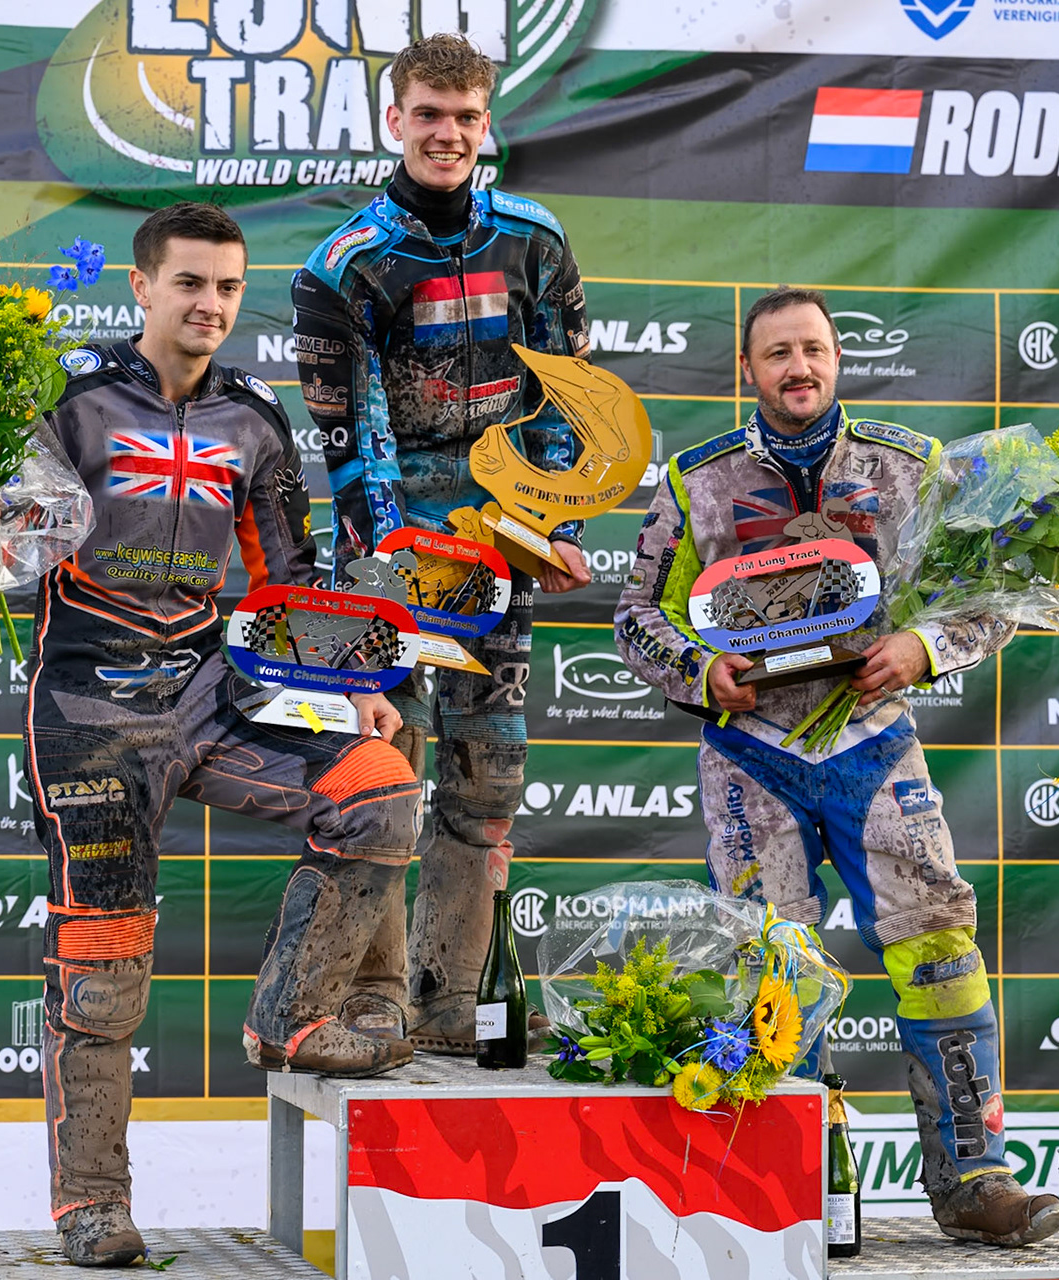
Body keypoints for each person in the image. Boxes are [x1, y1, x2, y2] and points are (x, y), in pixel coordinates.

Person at [612, 288, 1059, 1248]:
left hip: (873, 743)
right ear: (749, 371)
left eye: (813, 349)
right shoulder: (697, 478)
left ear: (838, 359)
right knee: (771, 970)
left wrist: (927, 648)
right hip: (751, 756)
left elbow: (998, 588)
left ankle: (977, 1180)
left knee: (939, 952)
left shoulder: (911, 466)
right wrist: (700, 669)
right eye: (777, 353)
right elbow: (635, 616)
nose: (798, 368)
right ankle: (791, 1191)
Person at [21, 203, 423, 1266]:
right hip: (88, 706)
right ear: (143, 288)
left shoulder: (253, 414)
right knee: (102, 967)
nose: (209, 304)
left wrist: (350, 687)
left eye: (228, 288)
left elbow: (289, 579)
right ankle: (91, 1204)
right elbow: (7, 536)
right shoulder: (66, 394)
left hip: (213, 683)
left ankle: (289, 1014)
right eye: (189, 283)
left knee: (381, 784)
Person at [289, 33, 593, 1053]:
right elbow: (352, 436)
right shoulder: (344, 267)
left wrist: (553, 526)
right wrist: (394, 571)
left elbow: (572, 402)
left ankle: (455, 996)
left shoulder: (537, 241)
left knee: (487, 778)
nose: (448, 133)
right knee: (379, 769)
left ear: (486, 122)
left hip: (504, 548)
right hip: (393, 551)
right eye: (428, 114)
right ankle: (375, 997)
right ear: (394, 121)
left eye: (465, 117)